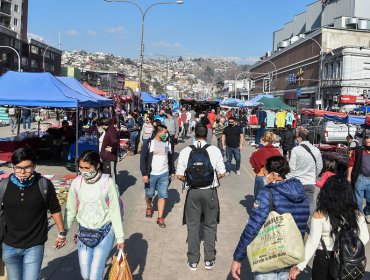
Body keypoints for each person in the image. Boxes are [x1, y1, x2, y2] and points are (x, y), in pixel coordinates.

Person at [231, 156, 310, 280]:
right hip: (290, 254)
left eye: (265, 173)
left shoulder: (267, 193)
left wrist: (238, 257)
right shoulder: (301, 192)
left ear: (273, 175)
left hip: (269, 254)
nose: (264, 176)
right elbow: (302, 222)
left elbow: (252, 228)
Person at [1, 147, 66, 280]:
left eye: (27, 167)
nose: (22, 172)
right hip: (9, 246)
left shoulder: (44, 184)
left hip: (34, 245)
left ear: (34, 166)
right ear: (13, 167)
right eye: (18, 167)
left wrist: (61, 233)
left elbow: (55, 209)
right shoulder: (3, 185)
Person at [289, 176, 369, 280]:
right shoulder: (357, 214)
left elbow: (312, 242)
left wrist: (299, 267)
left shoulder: (320, 214)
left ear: (326, 193)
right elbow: (365, 237)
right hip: (348, 259)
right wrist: (350, 249)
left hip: (324, 257)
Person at [64, 150, 124, 280]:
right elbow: (70, 210)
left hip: (105, 232)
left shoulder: (108, 183)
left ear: (97, 166)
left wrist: (120, 238)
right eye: (81, 168)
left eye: (87, 168)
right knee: (85, 275)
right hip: (83, 233)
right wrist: (63, 232)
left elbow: (115, 212)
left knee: (95, 275)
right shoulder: (76, 183)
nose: (84, 171)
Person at [176, 125, 226, 271]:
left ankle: (193, 260)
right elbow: (222, 172)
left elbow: (179, 175)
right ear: (207, 135)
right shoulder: (214, 150)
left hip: (193, 193)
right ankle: (209, 260)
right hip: (210, 192)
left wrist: (191, 180)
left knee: (193, 227)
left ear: (194, 134)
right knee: (210, 226)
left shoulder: (186, 151)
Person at [140, 125, 175, 228]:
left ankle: (160, 218)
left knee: (162, 195)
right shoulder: (149, 143)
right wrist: (144, 174)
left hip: (164, 174)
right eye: (165, 132)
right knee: (149, 195)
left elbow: (170, 157)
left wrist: (172, 170)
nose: (166, 134)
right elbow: (143, 159)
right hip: (151, 174)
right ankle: (149, 206)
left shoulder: (167, 143)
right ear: (158, 133)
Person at [287, 130, 323, 212]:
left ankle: (299, 222)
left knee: (297, 204)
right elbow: (319, 166)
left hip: (298, 182)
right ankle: (309, 222)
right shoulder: (316, 150)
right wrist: (314, 175)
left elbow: (291, 167)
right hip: (310, 182)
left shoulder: (295, 150)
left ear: (300, 138)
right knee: (310, 203)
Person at [250, 131, 281, 197]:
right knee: (271, 198)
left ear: (263, 139)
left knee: (259, 198)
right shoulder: (276, 151)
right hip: (273, 177)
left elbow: (253, 162)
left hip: (261, 176)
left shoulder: (260, 151)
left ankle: (258, 207)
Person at [347, 135, 370, 217]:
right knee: (358, 200)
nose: (368, 144)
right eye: (367, 142)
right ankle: (360, 215)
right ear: (364, 142)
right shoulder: (358, 150)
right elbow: (351, 164)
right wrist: (349, 176)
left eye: (369, 142)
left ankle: (367, 212)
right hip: (360, 178)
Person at [98, 117, 118, 182]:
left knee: (110, 175)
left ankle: (114, 190)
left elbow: (114, 141)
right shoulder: (109, 129)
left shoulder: (111, 130)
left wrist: (112, 148)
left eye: (101, 125)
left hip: (110, 157)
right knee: (106, 175)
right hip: (106, 156)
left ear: (103, 125)